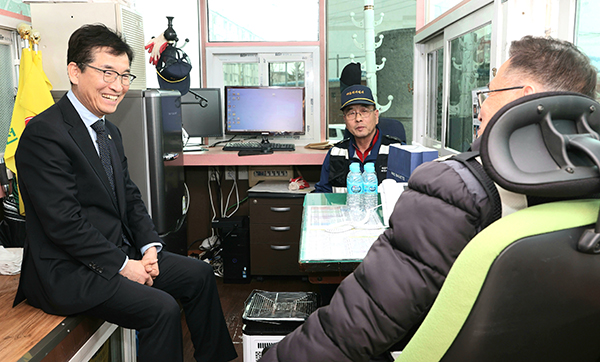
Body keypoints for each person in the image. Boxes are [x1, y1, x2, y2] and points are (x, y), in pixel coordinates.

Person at [260, 36, 597, 362]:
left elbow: (355, 324)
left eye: (488, 94)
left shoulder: (456, 188)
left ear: (523, 98)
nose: (478, 110)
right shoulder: (584, 185)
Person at [12, 24, 237, 362]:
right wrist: (122, 265)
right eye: (107, 73)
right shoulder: (44, 134)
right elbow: (64, 223)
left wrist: (148, 248)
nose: (117, 86)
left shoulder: (108, 131)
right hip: (69, 270)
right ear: (75, 71)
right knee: (160, 308)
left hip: (118, 251)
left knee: (200, 273)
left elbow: (129, 197)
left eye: (124, 76)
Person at [314, 84, 403, 193]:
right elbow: (323, 193)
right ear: (345, 120)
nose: (358, 119)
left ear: (376, 116)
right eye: (351, 113)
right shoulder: (336, 153)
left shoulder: (398, 151)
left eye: (364, 111)